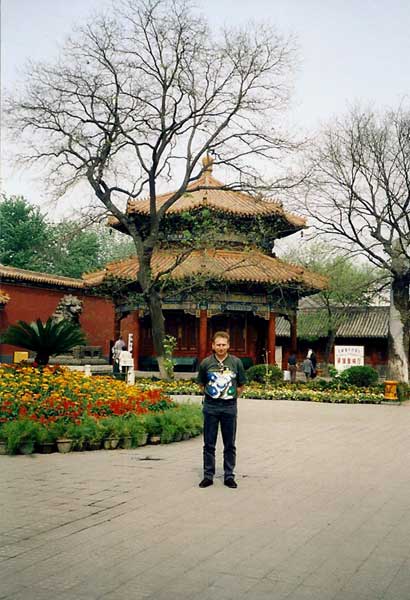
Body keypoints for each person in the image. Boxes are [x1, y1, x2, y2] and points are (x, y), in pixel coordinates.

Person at [197, 331, 246, 489]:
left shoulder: (236, 363)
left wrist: (229, 397)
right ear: (213, 345)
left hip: (229, 407)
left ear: (228, 345)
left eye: (223, 344)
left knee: (229, 443)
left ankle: (229, 475)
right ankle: (208, 475)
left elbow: (241, 385)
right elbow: (201, 384)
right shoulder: (206, 363)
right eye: (218, 344)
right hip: (211, 406)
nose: (221, 347)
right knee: (209, 443)